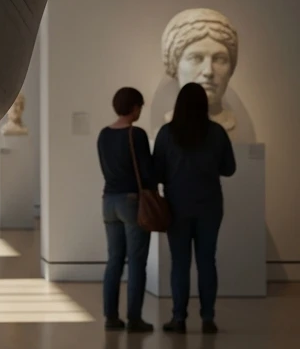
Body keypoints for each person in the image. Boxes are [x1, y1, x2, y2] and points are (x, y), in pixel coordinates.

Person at [154, 81, 236, 335]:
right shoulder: (217, 133)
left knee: (180, 263)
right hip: (210, 204)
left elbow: (156, 171)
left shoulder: (167, 133)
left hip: (177, 205)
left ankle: (178, 318)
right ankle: (208, 317)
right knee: (206, 261)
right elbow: (229, 169)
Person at [97, 87, 156, 332]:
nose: (140, 110)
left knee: (114, 261)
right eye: (140, 106)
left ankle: (111, 317)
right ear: (134, 107)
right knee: (136, 262)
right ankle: (134, 318)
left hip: (108, 201)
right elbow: (147, 171)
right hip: (131, 202)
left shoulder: (103, 135)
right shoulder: (137, 134)